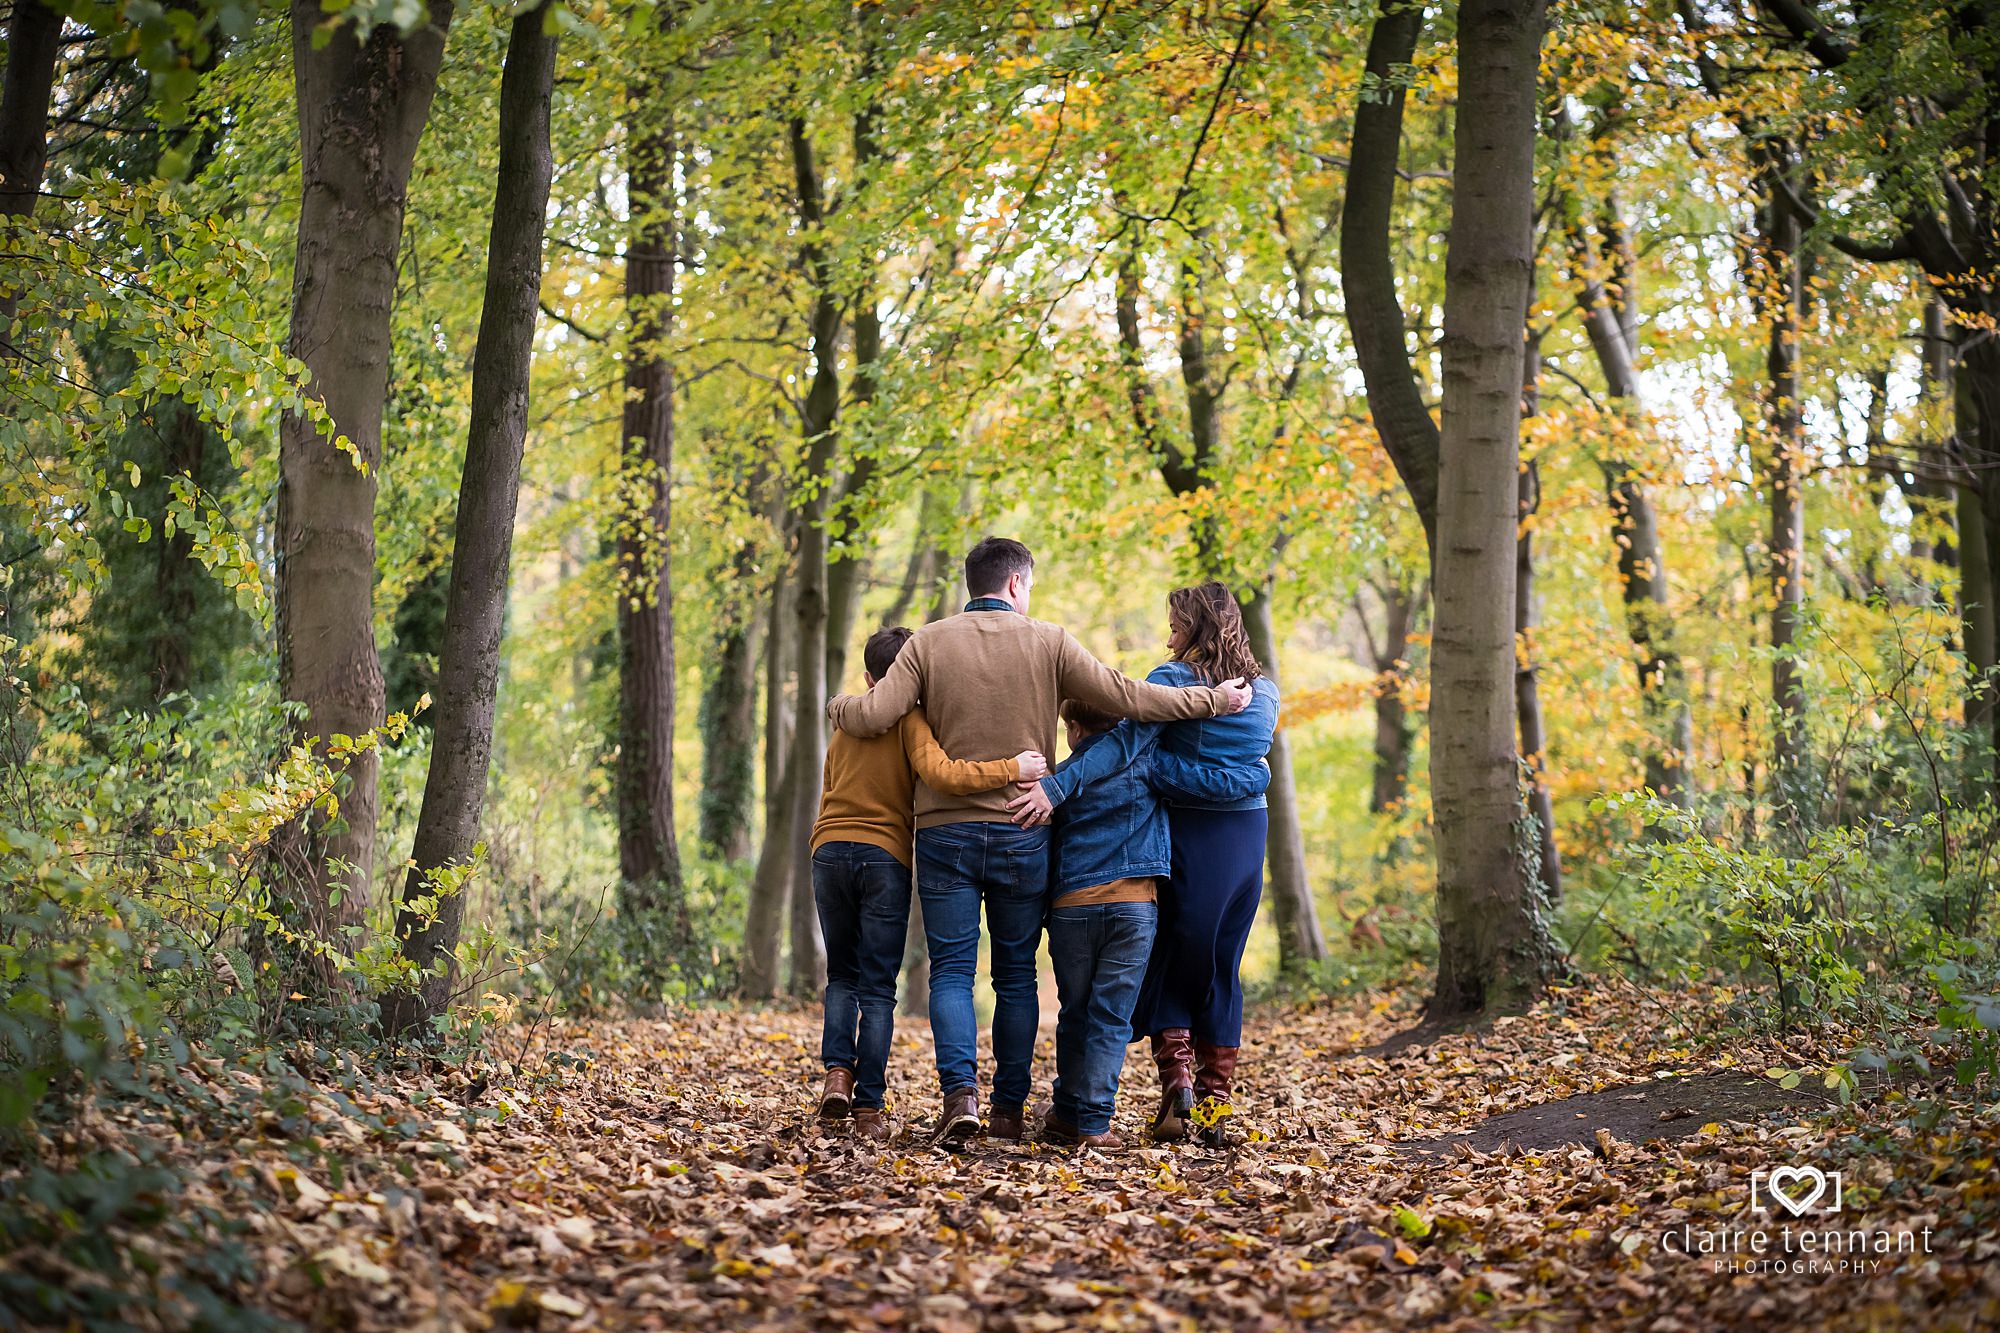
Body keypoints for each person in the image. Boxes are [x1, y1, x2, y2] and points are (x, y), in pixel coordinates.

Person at [826, 538, 1254, 1145]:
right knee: (1016, 975)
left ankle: (960, 1099)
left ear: (972, 583)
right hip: (1021, 828)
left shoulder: (926, 642)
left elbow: (873, 717)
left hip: (943, 832)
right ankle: (1007, 1111)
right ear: (1017, 584)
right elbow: (1131, 697)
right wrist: (1214, 699)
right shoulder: (1048, 640)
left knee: (950, 972)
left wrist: (838, 703)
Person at [1007, 581, 1279, 1146]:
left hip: (1187, 832)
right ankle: (1213, 1109)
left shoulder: (1171, 681)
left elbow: (1122, 748)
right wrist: (1254, 779)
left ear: (1199, 624)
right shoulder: (1266, 693)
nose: (1170, 632)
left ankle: (1177, 1084)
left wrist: (1059, 788)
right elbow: (1250, 771)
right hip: (1246, 835)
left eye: (1177, 622)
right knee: (1223, 964)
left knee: (1174, 954)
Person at [809, 626, 1048, 1142]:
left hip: (828, 850)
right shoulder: (911, 721)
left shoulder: (845, 722)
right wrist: (1012, 767)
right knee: (877, 987)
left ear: (870, 676)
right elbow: (943, 774)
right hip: (883, 857)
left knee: (841, 976)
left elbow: (830, 787)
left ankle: (836, 1075)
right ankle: (869, 1106)